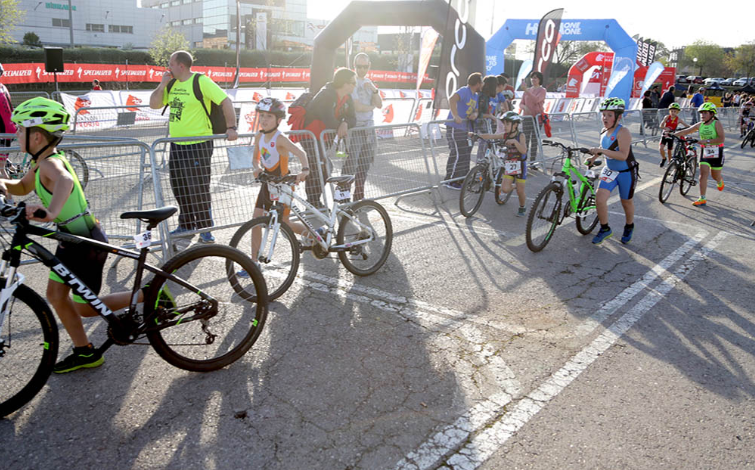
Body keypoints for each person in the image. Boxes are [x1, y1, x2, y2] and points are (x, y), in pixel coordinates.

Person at [0, 98, 147, 373]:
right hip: (69, 240)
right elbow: (20, 187)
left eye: (20, 129)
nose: (16, 133)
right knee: (56, 296)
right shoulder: (39, 163)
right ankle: (85, 351)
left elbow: (65, 181)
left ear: (38, 135)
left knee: (87, 308)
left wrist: (51, 212)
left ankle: (148, 296)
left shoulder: (50, 164)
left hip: (85, 243)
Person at [149, 50, 238, 243]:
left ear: (181, 65)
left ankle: (206, 228)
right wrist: (162, 84)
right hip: (177, 144)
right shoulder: (171, 84)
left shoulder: (201, 81)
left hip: (199, 144)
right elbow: (154, 104)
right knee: (180, 187)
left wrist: (231, 127)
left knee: (198, 187)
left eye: (171, 64)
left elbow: (225, 101)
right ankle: (187, 224)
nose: (168, 67)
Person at [237, 98, 311, 276]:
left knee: (285, 223)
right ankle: (254, 263)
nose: (264, 119)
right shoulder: (259, 136)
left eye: (269, 116)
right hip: (267, 185)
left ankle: (313, 234)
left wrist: (305, 170)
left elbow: (301, 153)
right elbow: (255, 158)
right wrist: (256, 168)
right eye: (262, 115)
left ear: (278, 119)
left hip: (283, 186)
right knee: (256, 220)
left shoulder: (281, 139)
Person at [301, 67, 357, 207]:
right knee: (323, 167)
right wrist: (342, 124)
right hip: (311, 136)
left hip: (325, 137)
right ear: (345, 83)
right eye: (353, 82)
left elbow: (353, 118)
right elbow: (328, 119)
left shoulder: (347, 97)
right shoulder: (327, 94)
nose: (355, 85)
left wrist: (345, 122)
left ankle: (314, 201)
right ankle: (312, 200)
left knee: (321, 168)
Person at [587, 98, 639, 245]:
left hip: (626, 172)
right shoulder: (604, 131)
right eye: (604, 115)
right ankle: (605, 229)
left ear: (618, 116)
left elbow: (623, 155)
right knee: (600, 199)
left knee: (626, 202)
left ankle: (629, 225)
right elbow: (605, 146)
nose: (605, 118)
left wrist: (601, 151)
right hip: (609, 170)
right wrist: (593, 157)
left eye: (610, 115)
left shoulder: (623, 132)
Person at [475, 111, 528, 216]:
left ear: (515, 125)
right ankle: (514, 186)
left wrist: (515, 142)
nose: (505, 126)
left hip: (520, 165)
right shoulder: (505, 135)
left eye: (507, 124)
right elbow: (491, 136)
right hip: (510, 164)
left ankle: (522, 207)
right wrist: (477, 135)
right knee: (504, 189)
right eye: (504, 124)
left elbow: (524, 151)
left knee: (520, 192)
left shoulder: (520, 135)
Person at [344, 52, 381, 201]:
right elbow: (357, 107)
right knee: (350, 163)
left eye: (364, 66)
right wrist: (371, 107)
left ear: (369, 66)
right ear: (354, 66)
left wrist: (374, 90)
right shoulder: (352, 82)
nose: (361, 69)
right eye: (358, 66)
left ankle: (359, 195)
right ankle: (343, 195)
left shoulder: (369, 82)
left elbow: (379, 104)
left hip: (368, 129)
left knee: (365, 164)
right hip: (355, 128)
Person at [673, 102, 725, 207]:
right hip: (705, 152)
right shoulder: (700, 124)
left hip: (716, 152)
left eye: (705, 113)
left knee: (715, 176)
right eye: (701, 113)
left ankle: (720, 181)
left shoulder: (716, 123)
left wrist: (707, 141)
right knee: (703, 175)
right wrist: (672, 134)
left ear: (711, 114)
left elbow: (721, 138)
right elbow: (687, 130)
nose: (702, 115)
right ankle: (702, 198)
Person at [443, 72, 482, 189]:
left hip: (464, 128)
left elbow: (476, 110)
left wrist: (475, 114)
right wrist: (455, 115)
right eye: (482, 82)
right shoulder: (464, 91)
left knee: (464, 153)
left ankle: (461, 179)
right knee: (458, 153)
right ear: (477, 83)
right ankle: (451, 180)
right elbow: (452, 99)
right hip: (455, 127)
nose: (483, 85)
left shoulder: (475, 95)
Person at [520, 71, 546, 162]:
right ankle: (524, 160)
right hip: (527, 118)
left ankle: (532, 160)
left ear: (539, 80)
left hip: (537, 119)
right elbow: (521, 103)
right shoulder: (528, 90)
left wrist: (526, 90)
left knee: (534, 140)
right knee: (525, 139)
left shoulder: (542, 90)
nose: (533, 79)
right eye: (532, 78)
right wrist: (524, 107)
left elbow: (536, 100)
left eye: (535, 78)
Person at [658, 103, 689, 167]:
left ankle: (669, 163)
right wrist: (665, 127)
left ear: (677, 112)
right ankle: (664, 158)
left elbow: (686, 125)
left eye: (675, 111)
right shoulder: (667, 117)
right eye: (671, 111)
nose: (673, 113)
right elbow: (661, 125)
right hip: (665, 134)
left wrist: (694, 128)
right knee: (661, 148)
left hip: (671, 135)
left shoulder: (678, 119)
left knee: (669, 150)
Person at [0, 63, 15, 180]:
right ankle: (13, 168)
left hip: (4, 131)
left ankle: (9, 198)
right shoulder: (2, 87)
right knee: (3, 161)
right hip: (9, 128)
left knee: (1, 169)